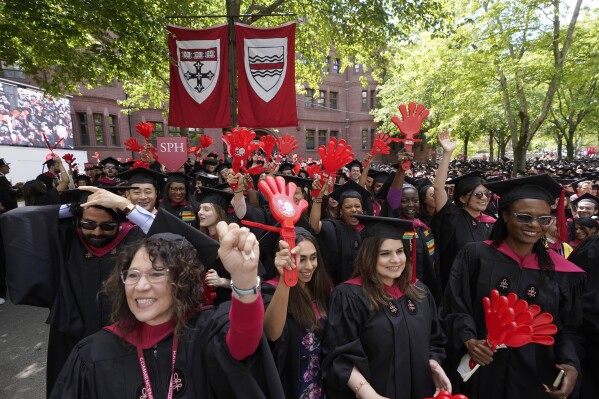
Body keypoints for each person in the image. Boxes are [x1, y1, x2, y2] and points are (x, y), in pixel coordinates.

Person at [50, 222, 285, 398]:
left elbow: (245, 339)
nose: (141, 286)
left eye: (156, 274)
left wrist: (244, 280)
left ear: (183, 282)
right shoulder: (93, 353)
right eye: (133, 275)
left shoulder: (208, 332)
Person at [439, 174, 585, 399]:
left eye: (544, 219)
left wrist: (571, 363)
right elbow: (456, 306)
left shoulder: (560, 271)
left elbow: (569, 328)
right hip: (483, 370)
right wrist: (468, 340)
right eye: (524, 217)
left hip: (537, 377)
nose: (534, 225)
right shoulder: (475, 255)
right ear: (505, 215)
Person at [0, 187, 149, 396]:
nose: (97, 232)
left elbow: (177, 238)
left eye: (107, 226)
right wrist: (74, 208)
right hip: (70, 332)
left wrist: (126, 207)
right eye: (88, 224)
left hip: (124, 332)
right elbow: (14, 218)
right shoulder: (67, 238)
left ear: (121, 222)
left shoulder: (133, 238)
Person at [322, 215, 449, 399]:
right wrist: (369, 394)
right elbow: (340, 356)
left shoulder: (419, 292)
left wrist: (434, 364)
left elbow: (435, 340)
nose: (396, 259)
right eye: (385, 253)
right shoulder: (349, 296)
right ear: (369, 256)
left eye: (400, 251)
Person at [263, 228, 333, 399]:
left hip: (324, 382)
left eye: (313, 258)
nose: (309, 266)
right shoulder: (271, 290)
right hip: (293, 383)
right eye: (301, 259)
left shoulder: (323, 290)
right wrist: (286, 279)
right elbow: (272, 333)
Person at [432, 131, 495, 289]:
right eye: (478, 194)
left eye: (487, 194)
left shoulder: (491, 224)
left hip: (484, 286)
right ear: (462, 198)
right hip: (455, 286)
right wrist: (447, 153)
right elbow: (439, 187)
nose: (484, 198)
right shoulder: (452, 216)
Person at [309, 179, 372, 285]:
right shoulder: (335, 227)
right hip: (339, 287)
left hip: (365, 287)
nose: (353, 210)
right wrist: (318, 198)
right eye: (348, 207)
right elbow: (314, 225)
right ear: (341, 211)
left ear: (362, 209)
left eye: (357, 206)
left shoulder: (369, 230)